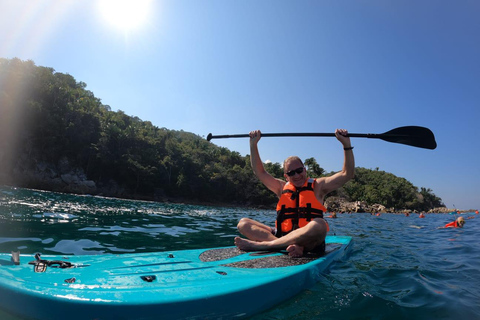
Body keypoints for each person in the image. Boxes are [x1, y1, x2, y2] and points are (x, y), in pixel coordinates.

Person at [234, 129, 355, 257]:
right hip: (282, 236)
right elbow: (260, 172)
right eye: (291, 173)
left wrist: (346, 145)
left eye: (299, 170)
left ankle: (266, 245)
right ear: (286, 176)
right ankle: (287, 247)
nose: (296, 175)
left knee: (320, 225)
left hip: (309, 242)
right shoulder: (280, 187)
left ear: (305, 170)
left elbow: (347, 174)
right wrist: (253, 145)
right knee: (243, 223)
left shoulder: (318, 186)